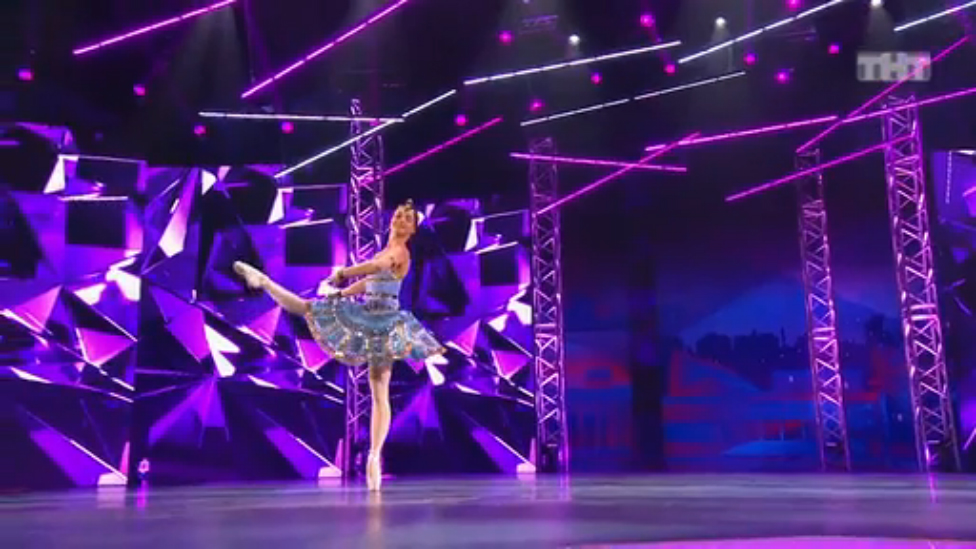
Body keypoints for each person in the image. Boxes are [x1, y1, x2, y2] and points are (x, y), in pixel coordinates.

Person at [232, 199, 444, 491]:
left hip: (384, 321)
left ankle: (374, 456)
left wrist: (344, 273)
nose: (399, 220)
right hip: (368, 313)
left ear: (413, 230)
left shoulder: (399, 252)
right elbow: (371, 281)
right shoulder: (386, 249)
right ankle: (264, 281)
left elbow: (376, 266)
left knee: (379, 390)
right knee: (308, 308)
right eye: (398, 215)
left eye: (407, 219)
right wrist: (342, 293)